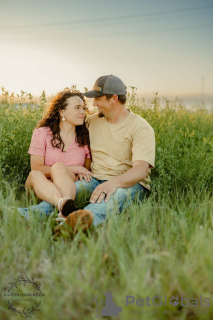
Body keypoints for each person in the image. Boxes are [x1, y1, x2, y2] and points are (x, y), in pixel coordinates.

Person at [19, 75, 155, 233]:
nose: (94, 104)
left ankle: (78, 223)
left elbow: (141, 170)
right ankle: (22, 215)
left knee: (107, 200)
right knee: (66, 195)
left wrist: (113, 183)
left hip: (129, 184)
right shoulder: (92, 122)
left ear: (114, 99)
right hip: (95, 179)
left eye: (98, 99)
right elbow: (66, 126)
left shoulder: (140, 127)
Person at [23, 89, 94, 229]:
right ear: (62, 112)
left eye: (83, 108)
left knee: (59, 167)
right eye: (77, 108)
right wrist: (73, 168)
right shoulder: (42, 133)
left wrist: (75, 171)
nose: (83, 112)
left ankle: (64, 207)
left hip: (67, 186)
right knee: (35, 174)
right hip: (40, 187)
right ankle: (65, 207)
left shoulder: (84, 139)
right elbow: (36, 167)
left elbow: (85, 171)